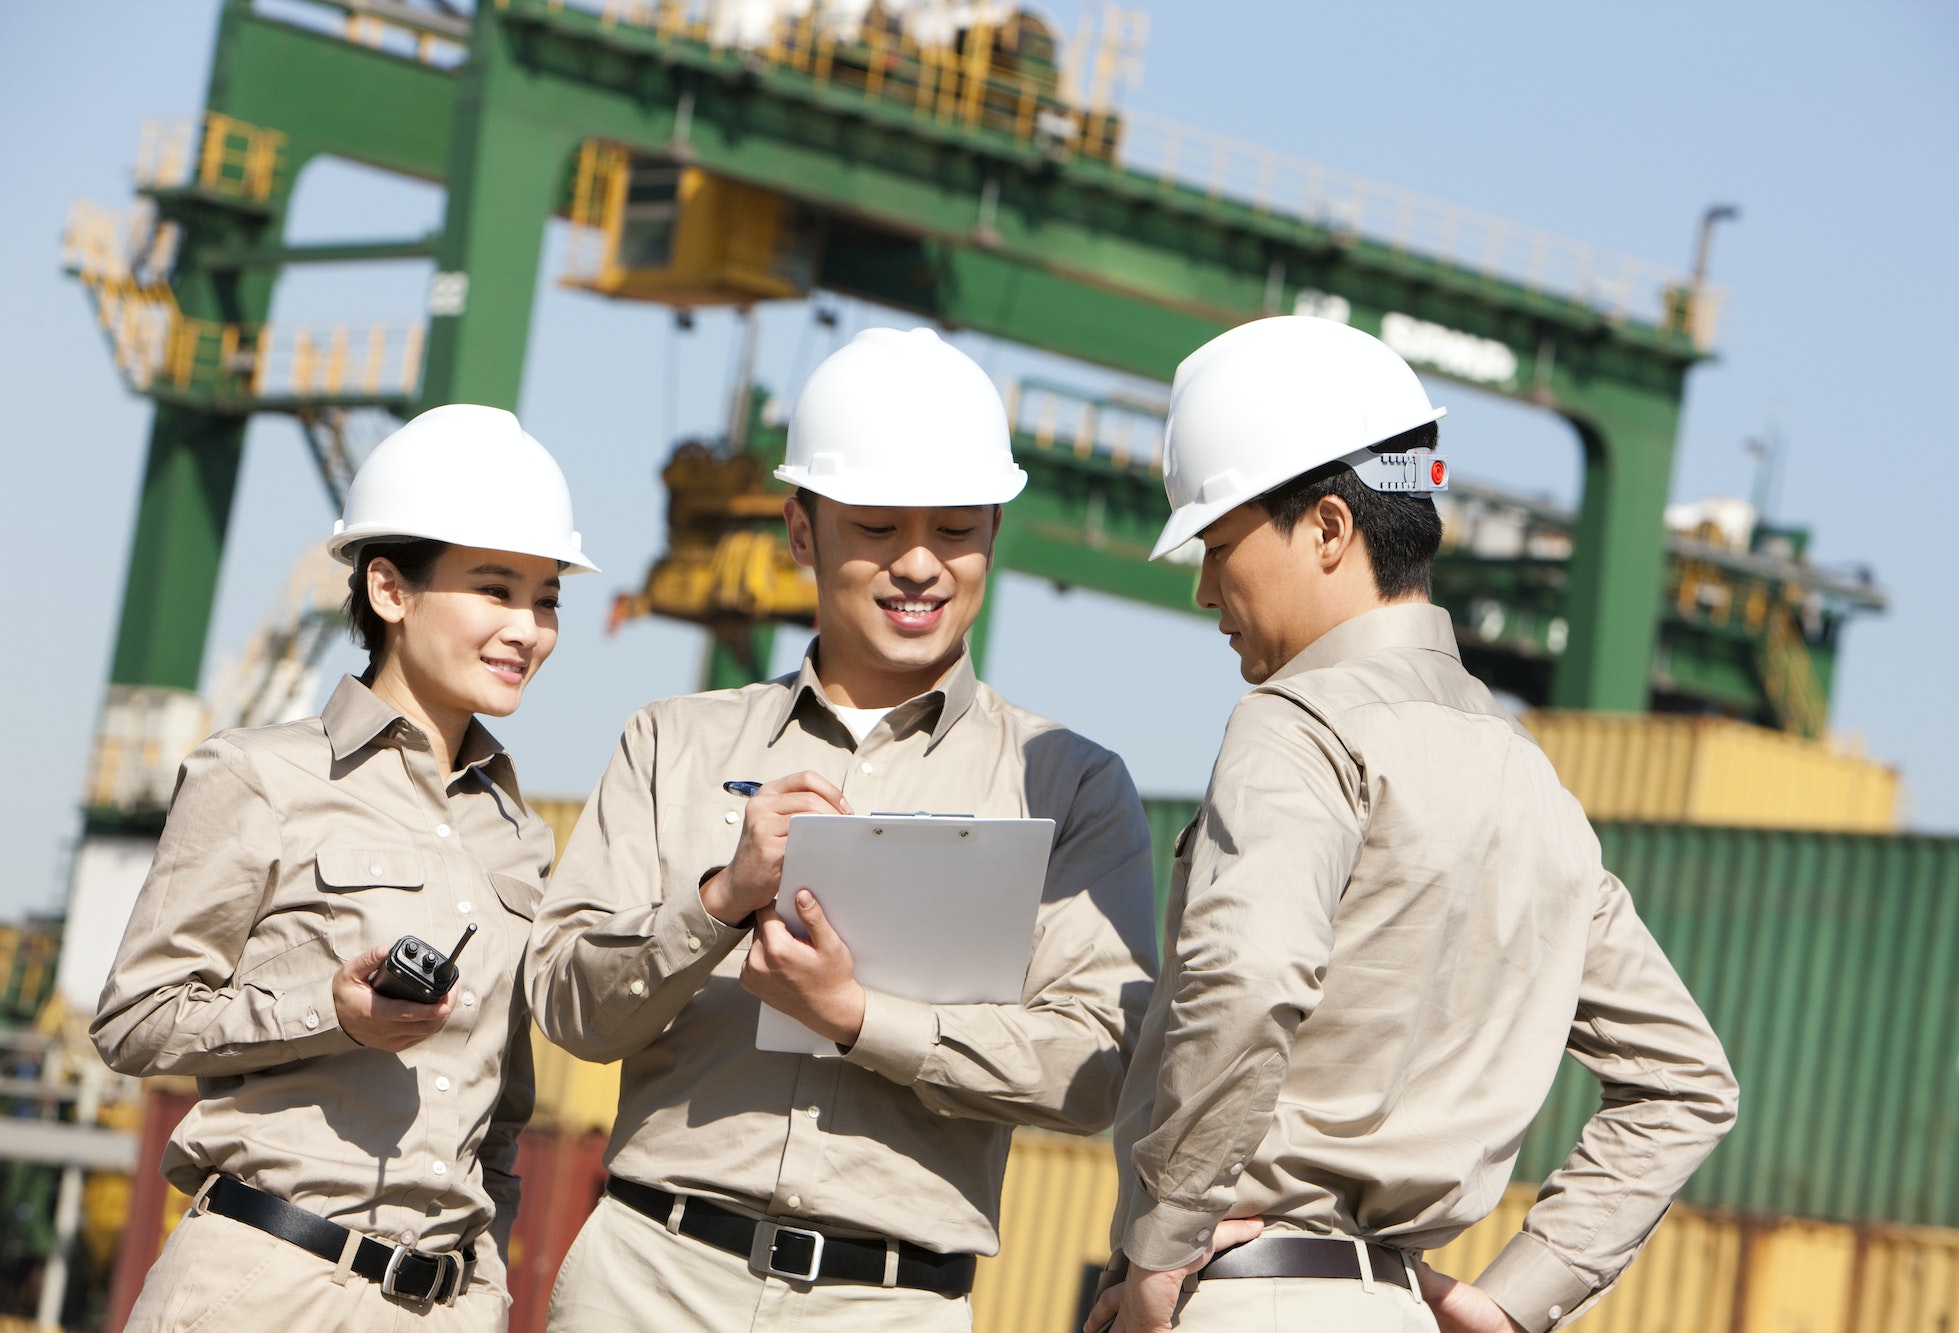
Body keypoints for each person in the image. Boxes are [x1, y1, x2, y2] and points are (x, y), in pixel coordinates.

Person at [1087, 316, 1738, 1333]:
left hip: (1246, 1296)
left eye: (1217, 546)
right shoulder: (1530, 781)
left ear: (1329, 529)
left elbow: (1251, 975)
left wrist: (1159, 1255)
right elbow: (1686, 1085)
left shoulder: (1294, 726)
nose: (1207, 589)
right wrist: (1516, 1298)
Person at [529, 326, 1158, 1332]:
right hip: (648, 1281)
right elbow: (568, 1008)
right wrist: (717, 902)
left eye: (954, 529)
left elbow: (1098, 1068)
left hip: (888, 1307)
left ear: (993, 531)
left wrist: (861, 1019)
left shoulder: (1070, 787)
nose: (918, 564)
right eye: (875, 526)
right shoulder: (669, 741)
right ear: (797, 529)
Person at [93, 405, 597, 1331]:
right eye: (495, 589)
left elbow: (503, 1108)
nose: (528, 628)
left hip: (444, 1306)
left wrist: (483, 1286)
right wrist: (333, 1013)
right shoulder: (257, 775)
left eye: (547, 597)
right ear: (390, 590)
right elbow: (136, 1020)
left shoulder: (518, 833)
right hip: (265, 1285)